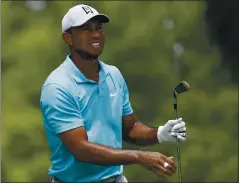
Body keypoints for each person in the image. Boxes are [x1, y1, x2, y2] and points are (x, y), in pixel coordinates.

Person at [40, 4, 187, 183]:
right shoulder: (58, 86)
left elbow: (130, 127)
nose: (95, 34)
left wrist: (159, 133)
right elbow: (80, 149)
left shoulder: (113, 75)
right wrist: (139, 157)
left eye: (98, 28)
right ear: (68, 38)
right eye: (86, 29)